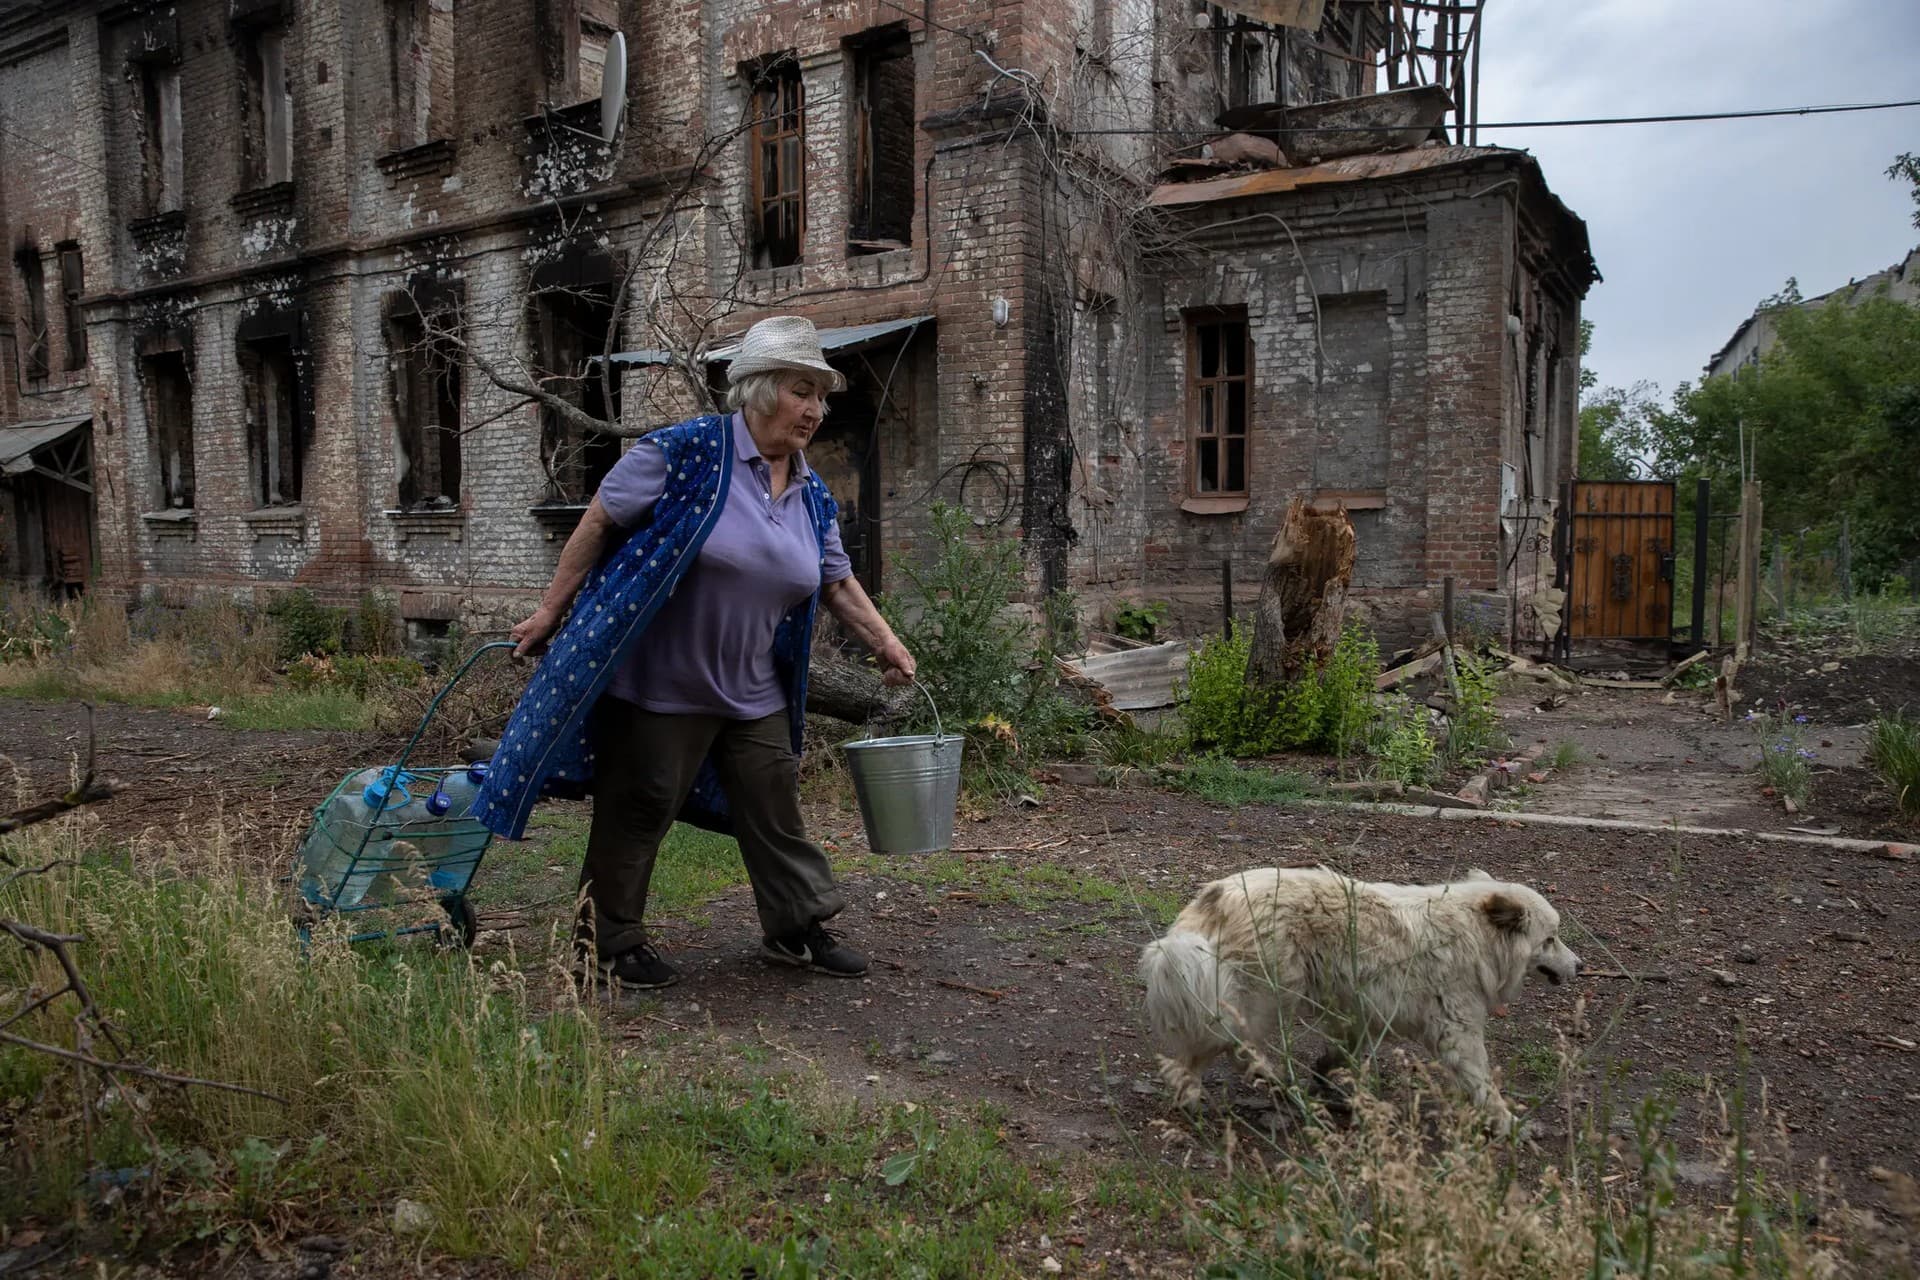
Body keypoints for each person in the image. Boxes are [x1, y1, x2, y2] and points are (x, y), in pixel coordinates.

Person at [471, 315, 916, 990]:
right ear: (762, 390)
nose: (815, 410)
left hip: (753, 687)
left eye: (821, 396)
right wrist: (551, 609)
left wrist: (887, 642)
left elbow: (836, 581)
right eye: (803, 391)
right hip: (660, 683)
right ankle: (606, 945)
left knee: (774, 805)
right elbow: (600, 519)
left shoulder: (810, 491)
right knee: (638, 807)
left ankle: (796, 927)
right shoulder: (684, 451)